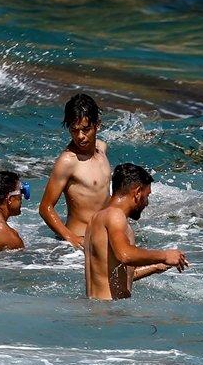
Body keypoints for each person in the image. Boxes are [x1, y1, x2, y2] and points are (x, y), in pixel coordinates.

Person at [83, 163, 189, 300]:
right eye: (147, 195)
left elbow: (111, 275)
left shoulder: (96, 218)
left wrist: (155, 267)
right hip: (112, 314)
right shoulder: (115, 216)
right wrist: (165, 255)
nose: (147, 203)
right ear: (138, 192)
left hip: (99, 311)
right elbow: (125, 255)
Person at [38, 93, 112, 248]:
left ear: (97, 125)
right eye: (74, 130)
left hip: (103, 237)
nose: (80, 136)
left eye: (86, 129)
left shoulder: (102, 148)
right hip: (79, 243)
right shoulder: (67, 161)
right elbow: (45, 207)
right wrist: (70, 238)